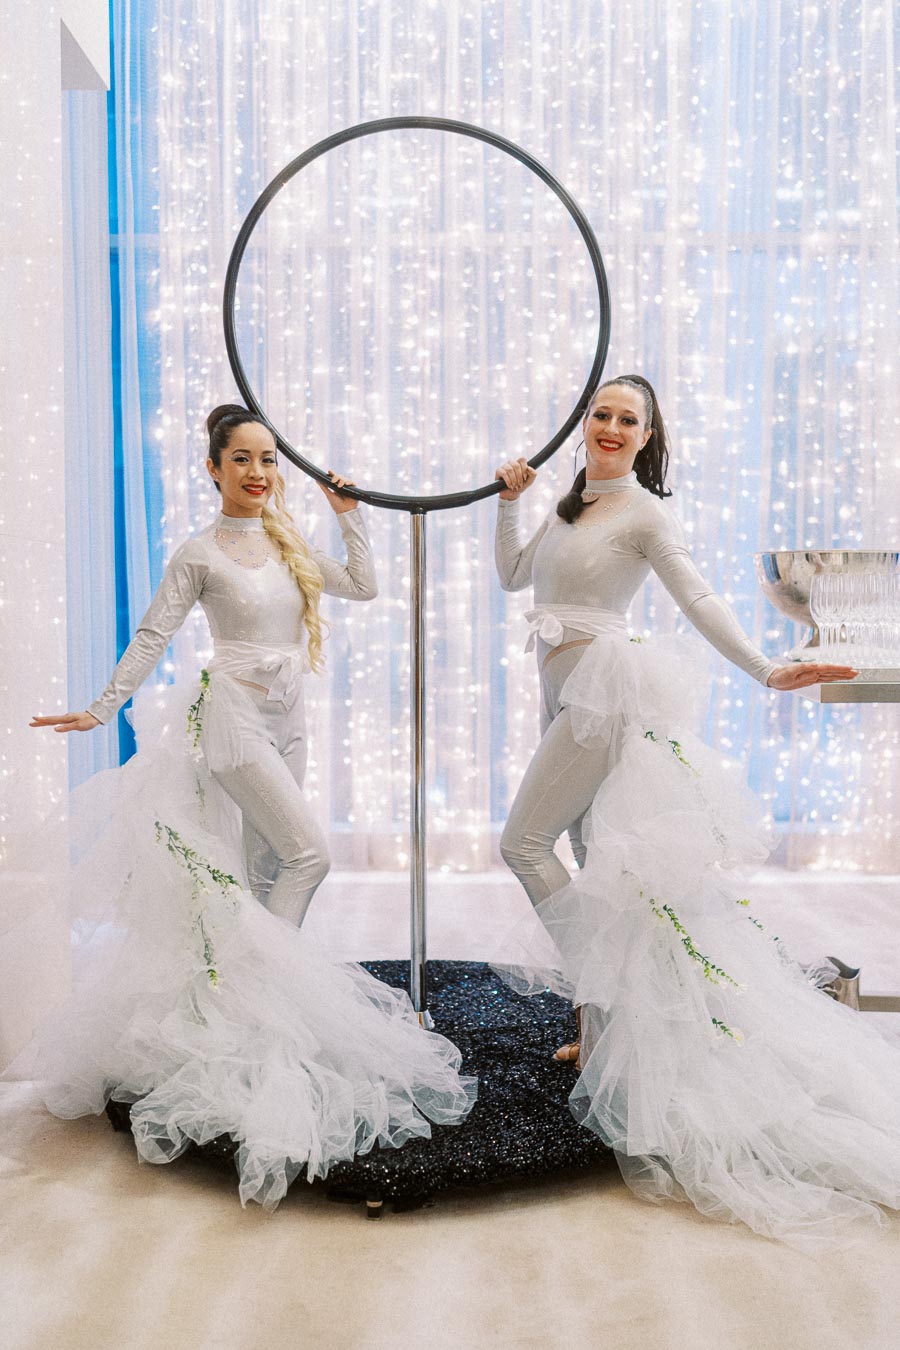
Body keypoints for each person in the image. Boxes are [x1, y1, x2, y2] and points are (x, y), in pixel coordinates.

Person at [26, 404, 474, 1208]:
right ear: (214, 468)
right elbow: (154, 635)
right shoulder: (199, 552)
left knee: (275, 863)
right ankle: (259, 998)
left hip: (289, 715)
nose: (259, 473)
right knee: (312, 855)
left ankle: (245, 1006)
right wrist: (102, 707)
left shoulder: (289, 541)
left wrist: (349, 519)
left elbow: (365, 586)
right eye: (242, 460)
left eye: (269, 460)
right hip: (230, 716)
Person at [493, 374, 900, 1251]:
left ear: (647, 439)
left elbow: (698, 597)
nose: (609, 427)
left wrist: (764, 668)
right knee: (590, 853)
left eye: (627, 420)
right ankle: (603, 1032)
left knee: (522, 844)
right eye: (601, 414)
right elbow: (513, 576)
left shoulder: (644, 514)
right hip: (559, 693)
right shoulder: (570, 510)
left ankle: (607, 997)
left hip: (603, 692)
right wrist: (510, 501)